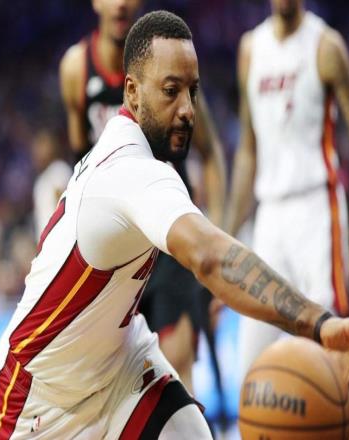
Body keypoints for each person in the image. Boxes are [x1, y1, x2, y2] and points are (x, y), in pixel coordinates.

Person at [0, 11, 349, 439]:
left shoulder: (149, 160)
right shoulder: (130, 169)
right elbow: (212, 259)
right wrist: (319, 324)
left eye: (192, 91)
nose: (186, 110)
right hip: (42, 395)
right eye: (170, 91)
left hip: (119, 365)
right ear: (132, 92)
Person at [225, 0, 349, 390]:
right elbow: (247, 150)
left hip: (317, 208)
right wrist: (227, 236)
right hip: (268, 216)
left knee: (331, 356)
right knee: (251, 366)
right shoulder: (250, 49)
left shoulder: (325, 46)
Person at [59, 0, 226, 392]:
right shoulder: (76, 69)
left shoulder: (168, 61)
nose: (120, 3)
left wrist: (213, 232)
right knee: (113, 383)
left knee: (176, 367)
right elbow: (78, 165)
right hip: (116, 240)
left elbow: (211, 152)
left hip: (167, 230)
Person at [31, 129, 71, 243]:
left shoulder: (59, 169)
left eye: (42, 145)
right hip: (46, 242)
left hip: (60, 237)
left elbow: (64, 205)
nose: (38, 151)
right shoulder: (40, 181)